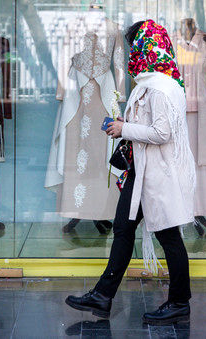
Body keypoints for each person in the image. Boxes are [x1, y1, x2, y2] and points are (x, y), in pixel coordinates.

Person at [65, 19, 196, 325]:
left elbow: (162, 133)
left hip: (159, 175)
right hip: (143, 173)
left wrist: (125, 128)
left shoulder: (160, 88)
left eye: (134, 45)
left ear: (146, 46)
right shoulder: (156, 82)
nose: (131, 51)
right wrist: (127, 127)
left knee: (169, 236)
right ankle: (103, 295)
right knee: (123, 230)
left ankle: (179, 302)